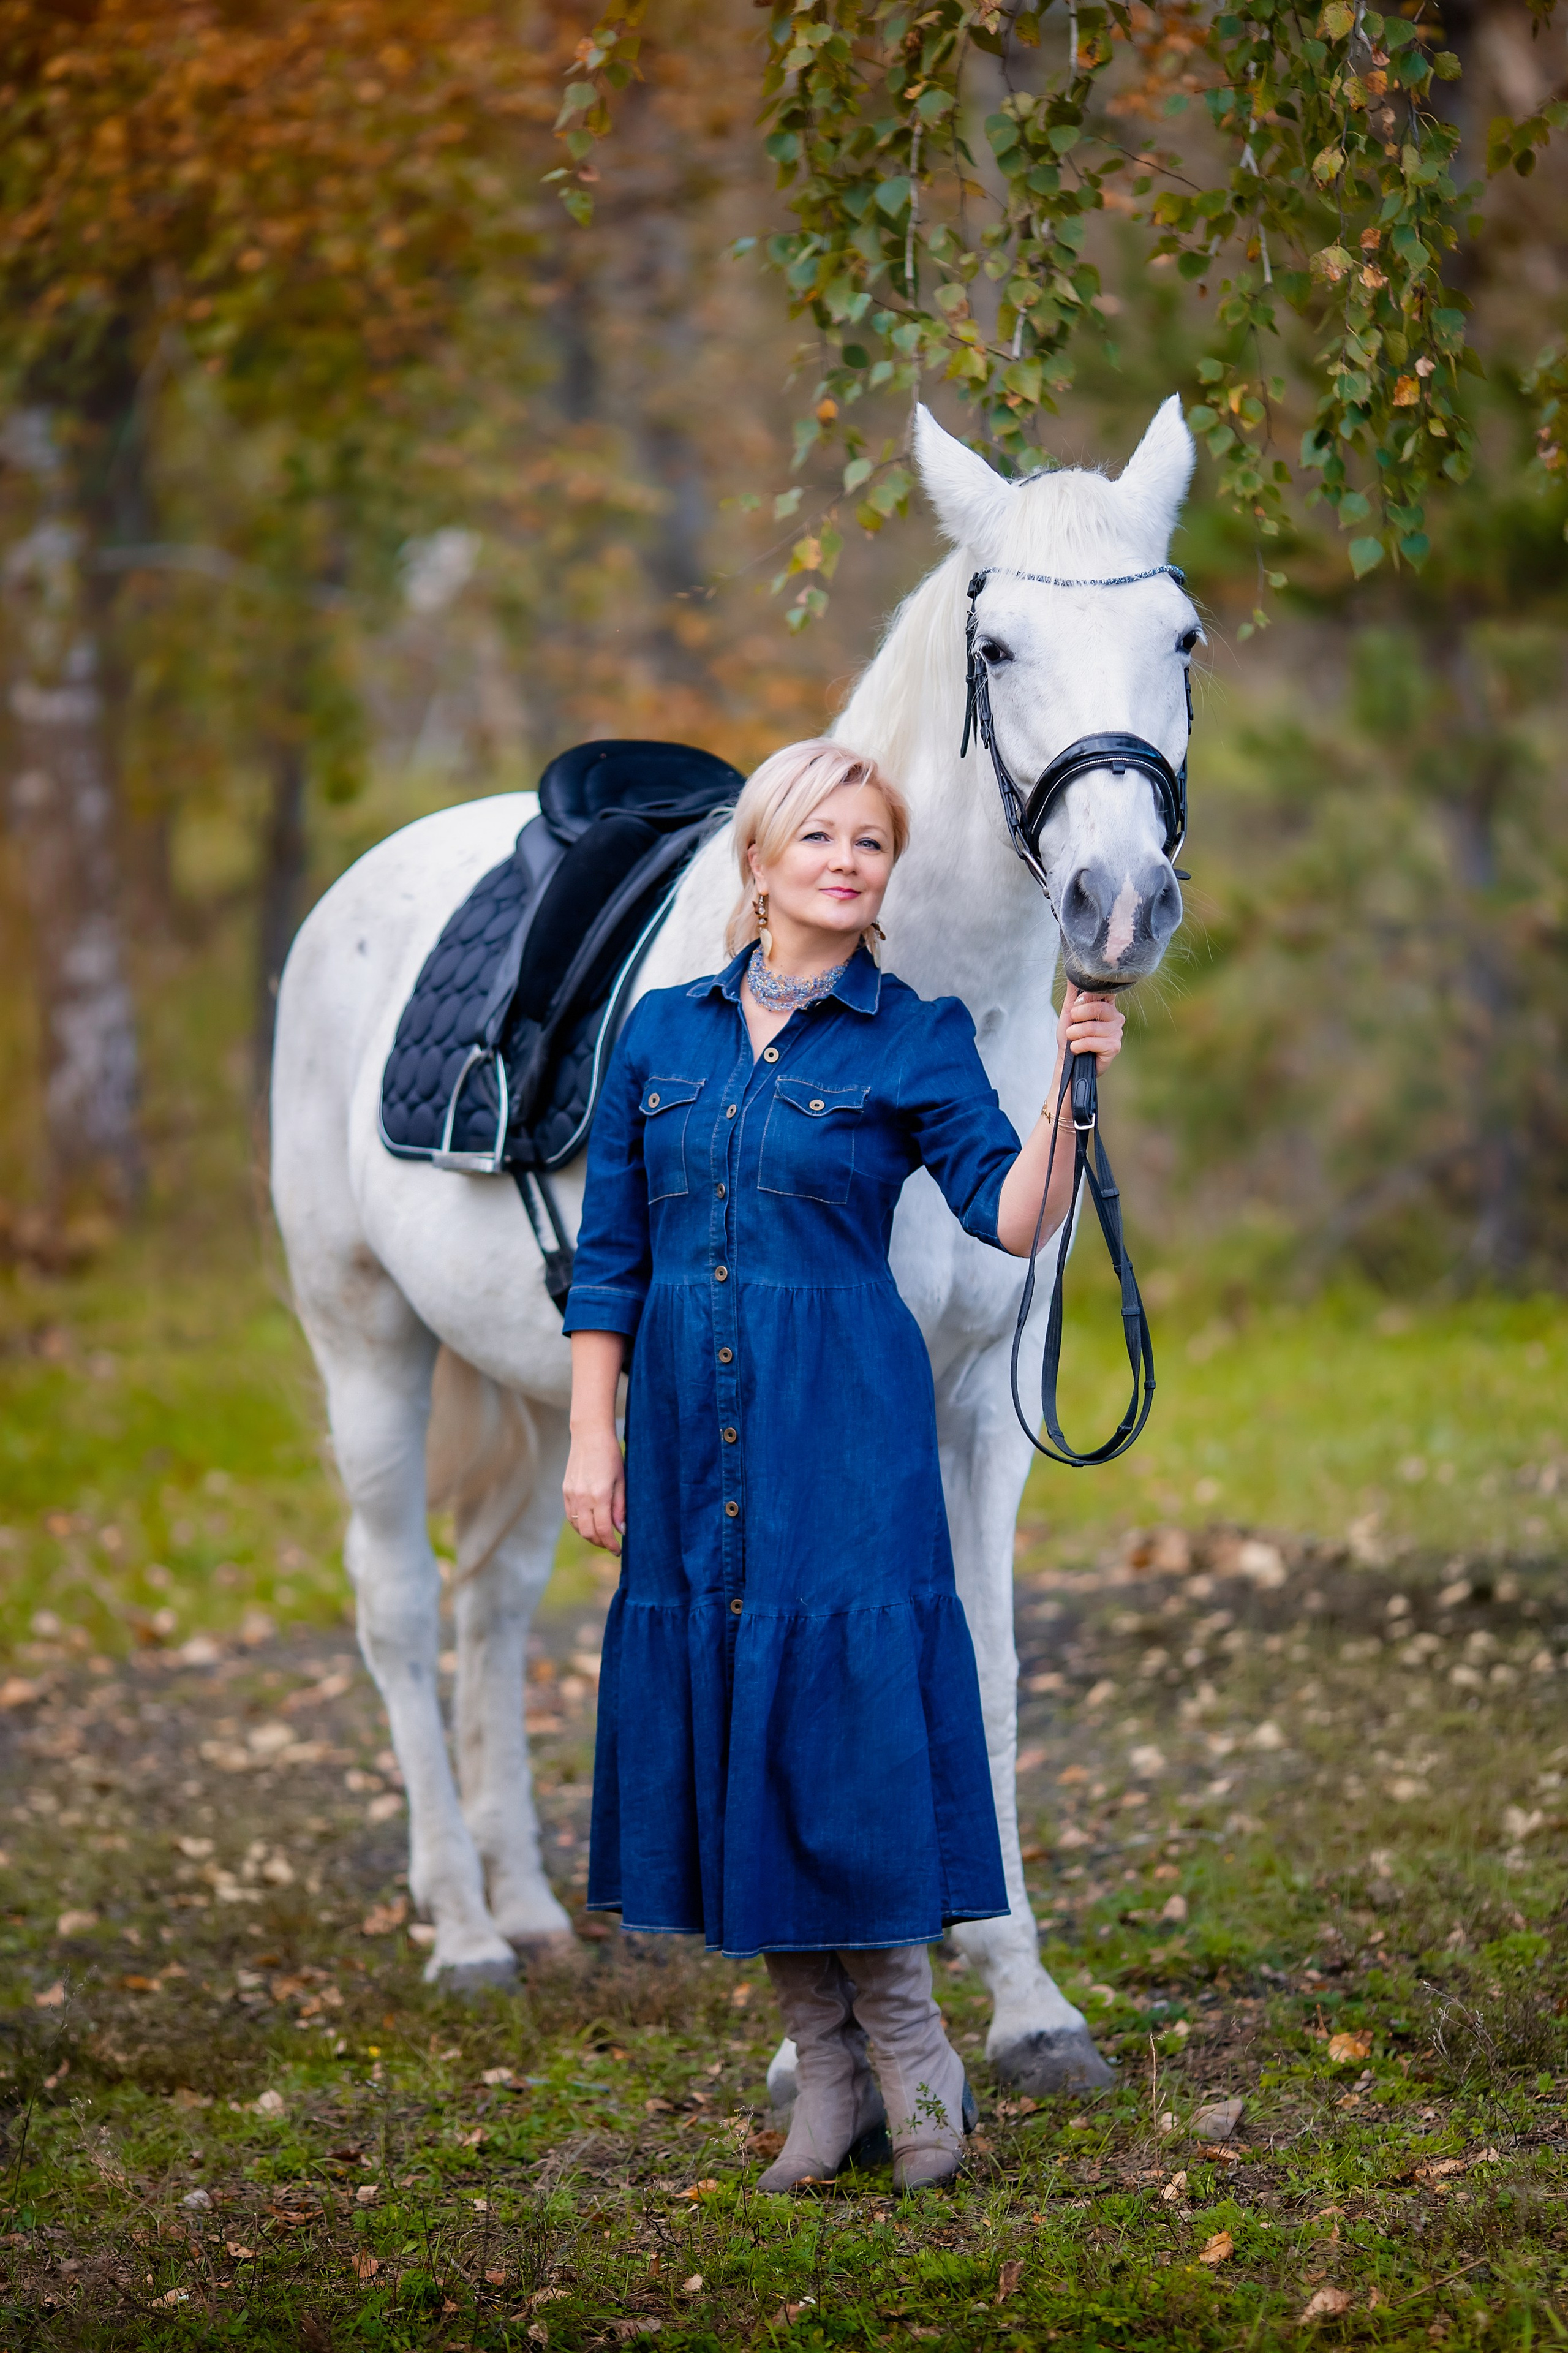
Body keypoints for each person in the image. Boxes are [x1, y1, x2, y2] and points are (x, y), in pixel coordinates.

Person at [561, 738, 1123, 2194]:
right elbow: (611, 1260)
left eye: (869, 844)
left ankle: (910, 2044)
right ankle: (826, 2073)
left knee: (837, 1731)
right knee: (730, 1727)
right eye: (818, 836)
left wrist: (1069, 1090)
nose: (845, 861)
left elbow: (1009, 1215)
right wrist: (588, 1439)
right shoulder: (660, 1037)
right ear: (758, 864)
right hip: (688, 1434)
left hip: (845, 1424)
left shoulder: (913, 1034)